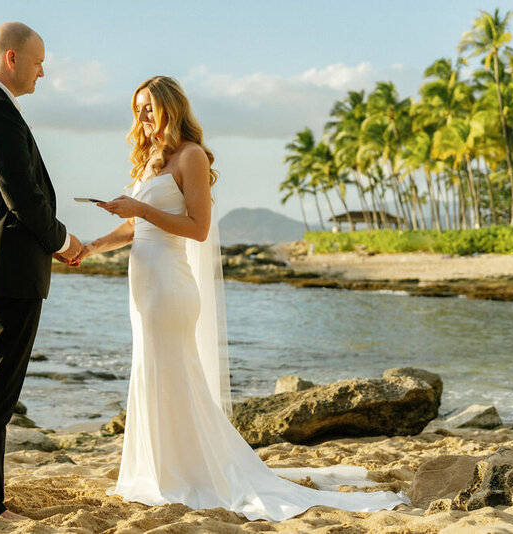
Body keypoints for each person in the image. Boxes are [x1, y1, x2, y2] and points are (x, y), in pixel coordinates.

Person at [73, 76, 407, 521]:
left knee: (171, 371)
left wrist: (141, 209)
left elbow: (197, 228)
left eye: (149, 107)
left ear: (171, 108)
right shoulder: (150, 159)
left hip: (170, 284)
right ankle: (156, 471)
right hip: (143, 283)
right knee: (151, 371)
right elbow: (134, 229)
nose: (143, 117)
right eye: (137, 110)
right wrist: (91, 247)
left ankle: (184, 473)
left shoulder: (191, 156)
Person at [0, 22, 82, 520]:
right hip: (4, 274)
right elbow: (21, 197)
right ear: (11, 58)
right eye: (37, 60)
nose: (42, 70)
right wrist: (65, 242)